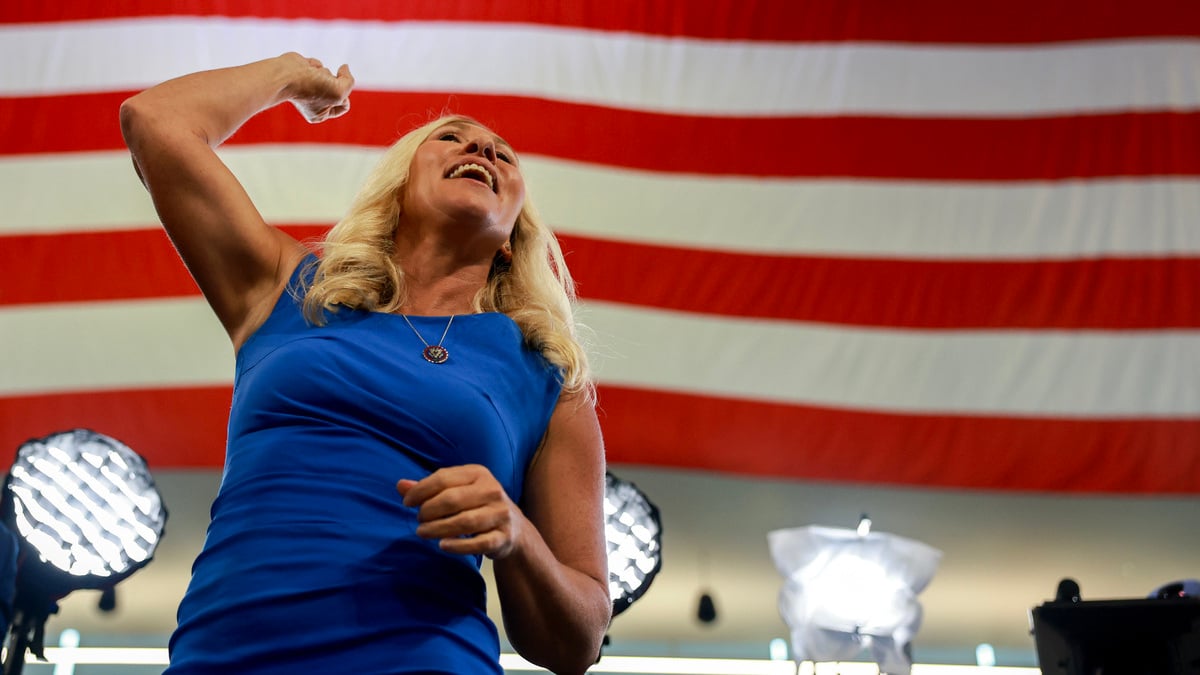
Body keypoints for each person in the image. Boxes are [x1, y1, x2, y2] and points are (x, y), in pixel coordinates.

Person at [119, 52, 610, 675]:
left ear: (513, 238)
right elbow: (155, 120)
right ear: (398, 191)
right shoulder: (287, 290)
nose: (482, 148)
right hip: (225, 656)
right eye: (452, 139)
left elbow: (579, 640)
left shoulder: (548, 381)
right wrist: (293, 76)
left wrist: (518, 538)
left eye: (502, 154)